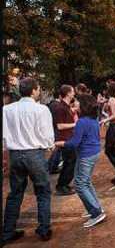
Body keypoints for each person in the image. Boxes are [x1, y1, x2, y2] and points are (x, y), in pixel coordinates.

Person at [2, 78, 54, 243]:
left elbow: (4, 134)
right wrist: (49, 146)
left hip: (15, 154)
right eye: (38, 89)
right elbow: (47, 135)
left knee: (15, 193)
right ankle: (44, 229)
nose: (39, 91)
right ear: (33, 90)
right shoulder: (41, 109)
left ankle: (8, 231)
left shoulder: (7, 109)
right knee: (43, 191)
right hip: (34, 154)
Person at [54, 94, 106, 228]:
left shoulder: (82, 122)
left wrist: (61, 143)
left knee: (80, 184)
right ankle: (95, 208)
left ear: (83, 106)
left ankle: (96, 212)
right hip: (92, 153)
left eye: (76, 102)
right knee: (85, 182)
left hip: (86, 155)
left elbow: (74, 143)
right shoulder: (92, 119)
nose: (74, 103)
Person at [54, 85, 77, 196]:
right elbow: (59, 126)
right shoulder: (60, 107)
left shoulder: (66, 106)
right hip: (65, 139)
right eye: (72, 91)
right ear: (68, 93)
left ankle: (64, 184)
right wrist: (75, 124)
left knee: (71, 162)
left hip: (70, 138)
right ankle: (61, 186)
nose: (74, 93)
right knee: (69, 163)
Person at [47, 89, 62, 174]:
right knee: (57, 149)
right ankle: (51, 167)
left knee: (57, 149)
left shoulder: (52, 104)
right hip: (56, 129)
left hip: (53, 127)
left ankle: (51, 166)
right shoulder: (57, 105)